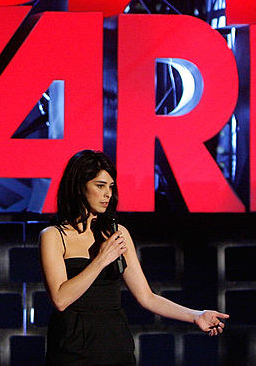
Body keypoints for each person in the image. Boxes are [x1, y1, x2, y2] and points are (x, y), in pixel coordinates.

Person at [40, 150, 228, 364]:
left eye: (111, 187)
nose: (107, 194)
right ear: (79, 187)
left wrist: (196, 315)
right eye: (100, 186)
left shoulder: (117, 233)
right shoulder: (54, 236)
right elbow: (60, 299)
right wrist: (101, 260)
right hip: (71, 348)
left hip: (115, 346)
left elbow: (147, 297)